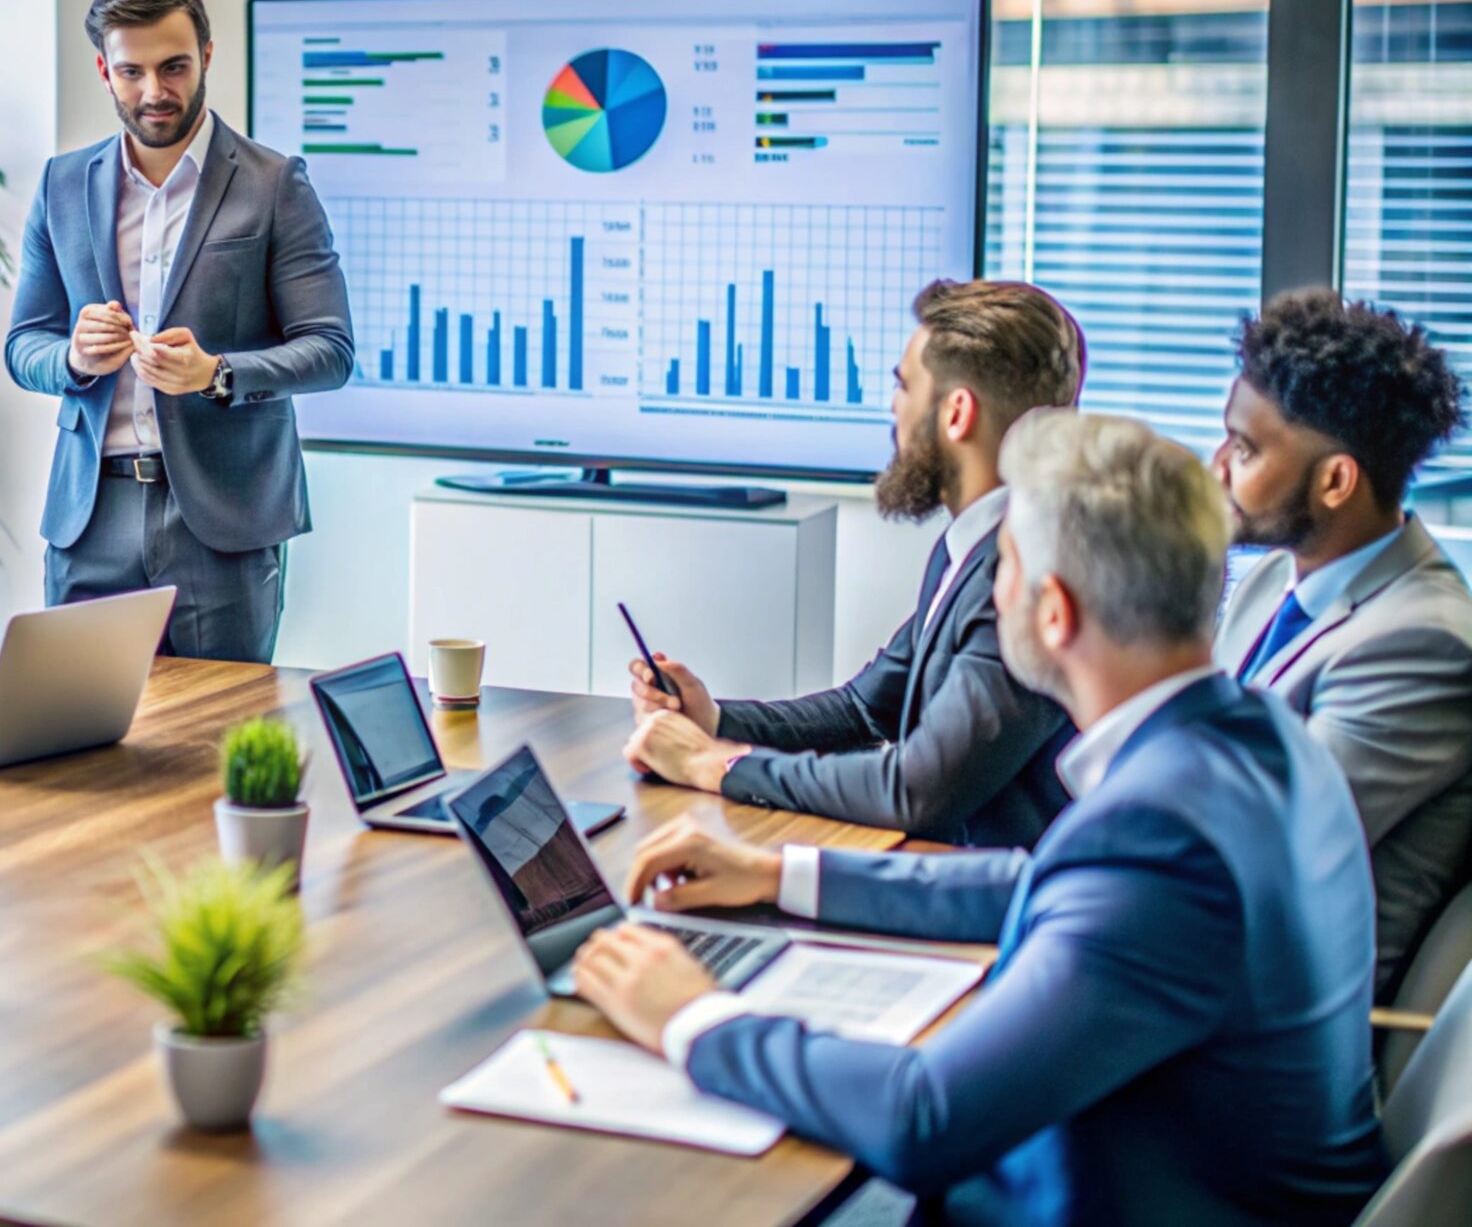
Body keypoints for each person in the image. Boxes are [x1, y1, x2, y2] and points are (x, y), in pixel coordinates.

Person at [577, 410, 1386, 1227]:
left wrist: (691, 1013)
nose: (990, 593)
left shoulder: (1164, 833)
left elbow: (922, 1117)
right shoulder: (1255, 736)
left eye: (1003, 568)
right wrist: (781, 872)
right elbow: (1039, 882)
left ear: (1054, 612)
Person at [624, 279, 1083, 846]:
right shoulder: (968, 550)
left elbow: (917, 787)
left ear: (956, 412)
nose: (893, 408)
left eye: (903, 386)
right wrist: (715, 721)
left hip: (980, 914)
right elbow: (865, 710)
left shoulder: (1024, 576)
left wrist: (716, 765)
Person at [4, 0, 354, 663]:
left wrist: (216, 373)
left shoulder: (275, 183)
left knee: (218, 744)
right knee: (80, 745)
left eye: (174, 67)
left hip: (223, 521)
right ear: (105, 70)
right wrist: (72, 357)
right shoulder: (61, 184)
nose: (154, 92)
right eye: (132, 71)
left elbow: (330, 349)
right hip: (89, 516)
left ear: (207, 57)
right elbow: (24, 345)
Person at [1213, 289, 1472, 996]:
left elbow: (1258, 843)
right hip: (1192, 954)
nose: (1216, 468)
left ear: (1335, 480)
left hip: (1268, 1015)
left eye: (1244, 447)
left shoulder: (1425, 641)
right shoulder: (1274, 578)